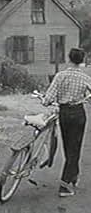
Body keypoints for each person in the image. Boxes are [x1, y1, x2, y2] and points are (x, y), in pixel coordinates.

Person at [42, 48, 91, 197]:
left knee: (68, 147)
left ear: (69, 59)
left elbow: (48, 99)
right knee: (75, 147)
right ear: (82, 60)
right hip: (78, 113)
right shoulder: (85, 78)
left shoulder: (60, 76)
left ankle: (73, 176)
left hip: (64, 113)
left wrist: (46, 101)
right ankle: (64, 185)